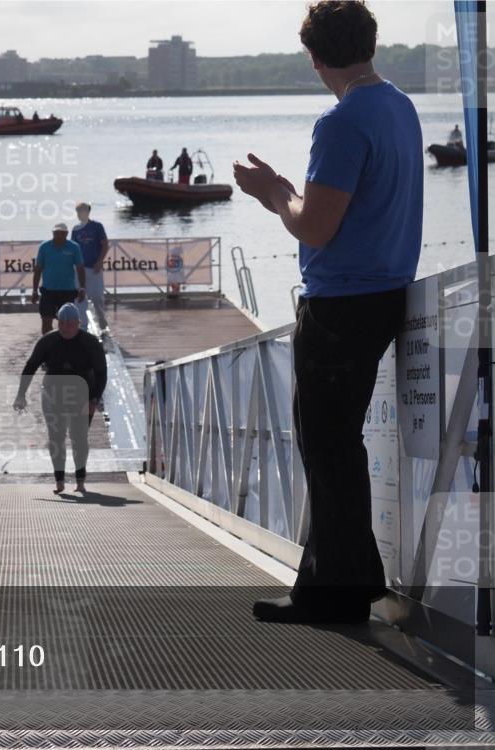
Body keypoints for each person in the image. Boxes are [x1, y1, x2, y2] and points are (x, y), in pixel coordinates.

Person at [232, 0, 422, 624]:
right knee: (339, 444)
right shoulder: (400, 106)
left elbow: (314, 227)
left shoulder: (342, 122)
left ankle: (331, 594)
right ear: (369, 42)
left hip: (342, 305)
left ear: (315, 58)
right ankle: (352, 579)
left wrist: (274, 195)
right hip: (387, 292)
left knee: (328, 446)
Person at [13, 304, 107, 494]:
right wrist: (21, 394)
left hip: (82, 394)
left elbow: (101, 373)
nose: (65, 328)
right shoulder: (48, 341)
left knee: (79, 438)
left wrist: (94, 400)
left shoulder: (90, 343)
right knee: (56, 438)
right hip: (53, 393)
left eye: (70, 324)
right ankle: (59, 480)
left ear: (78, 323)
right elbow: (31, 366)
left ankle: (80, 480)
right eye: (62, 323)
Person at [31, 223, 86, 335]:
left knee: (67, 322)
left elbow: (80, 268)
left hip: (67, 291)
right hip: (48, 291)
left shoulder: (74, 247)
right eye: (56, 233)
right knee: (46, 321)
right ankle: (48, 345)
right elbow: (38, 269)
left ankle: (65, 345)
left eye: (61, 233)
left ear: (66, 234)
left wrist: (82, 288)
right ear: (53, 233)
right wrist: (34, 290)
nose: (59, 236)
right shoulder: (44, 247)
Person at [71, 202, 109, 332]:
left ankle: (101, 317)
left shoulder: (97, 226)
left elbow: (105, 245)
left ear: (88, 212)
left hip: (94, 268)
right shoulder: (75, 229)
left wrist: (99, 262)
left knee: (98, 297)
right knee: (80, 297)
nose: (80, 214)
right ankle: (83, 325)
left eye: (82, 211)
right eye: (78, 212)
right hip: (80, 269)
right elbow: (73, 249)